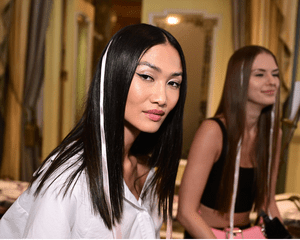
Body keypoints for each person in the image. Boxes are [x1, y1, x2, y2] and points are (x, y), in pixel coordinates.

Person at [0, 23, 187, 238]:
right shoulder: (70, 179)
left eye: (173, 83)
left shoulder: (146, 173)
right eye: (146, 76)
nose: (162, 98)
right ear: (114, 75)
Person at [177, 45, 282, 238]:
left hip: (247, 233)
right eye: (260, 75)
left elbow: (268, 203)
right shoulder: (212, 131)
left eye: (275, 74)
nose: (272, 82)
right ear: (238, 81)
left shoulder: (273, 134)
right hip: (205, 233)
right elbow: (185, 213)